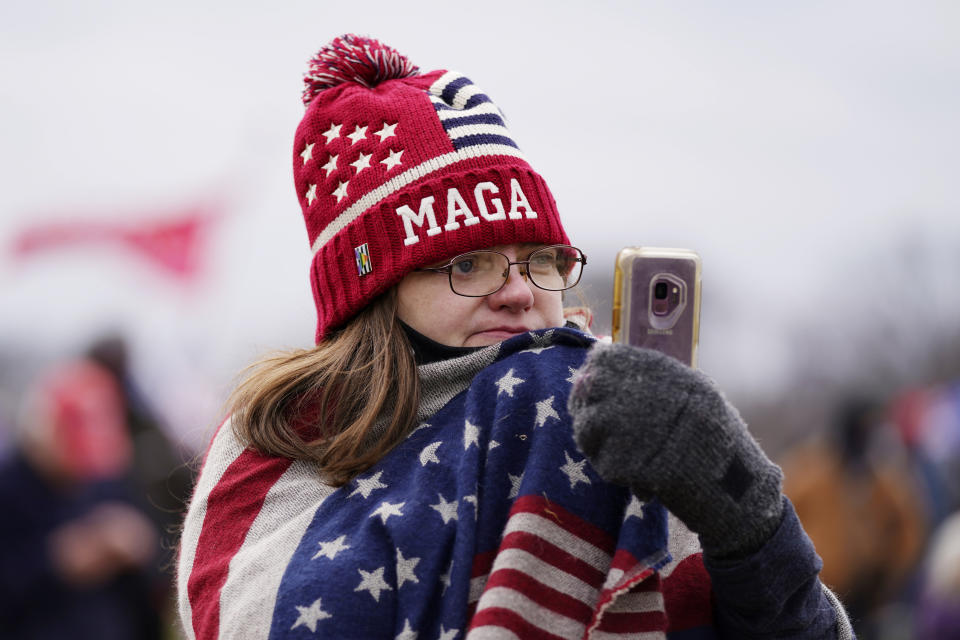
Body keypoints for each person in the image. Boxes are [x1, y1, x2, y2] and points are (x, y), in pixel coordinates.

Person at [177, 34, 854, 639]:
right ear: (374, 298)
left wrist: (746, 515)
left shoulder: (614, 416)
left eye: (540, 257)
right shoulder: (272, 448)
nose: (520, 289)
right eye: (467, 263)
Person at [0, 359, 162, 639]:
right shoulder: (9, 490)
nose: (84, 466)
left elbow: (151, 589)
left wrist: (141, 546)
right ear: (44, 431)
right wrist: (54, 563)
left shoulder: (106, 483)